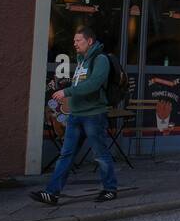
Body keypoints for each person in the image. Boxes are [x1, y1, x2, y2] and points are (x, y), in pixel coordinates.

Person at [30, 27, 119, 205]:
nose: (75, 43)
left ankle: (110, 189)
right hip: (76, 115)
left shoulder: (100, 60)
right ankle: (52, 193)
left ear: (90, 41)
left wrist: (67, 92)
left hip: (93, 115)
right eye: (75, 40)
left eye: (79, 40)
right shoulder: (81, 61)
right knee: (66, 154)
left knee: (100, 154)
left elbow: (94, 84)